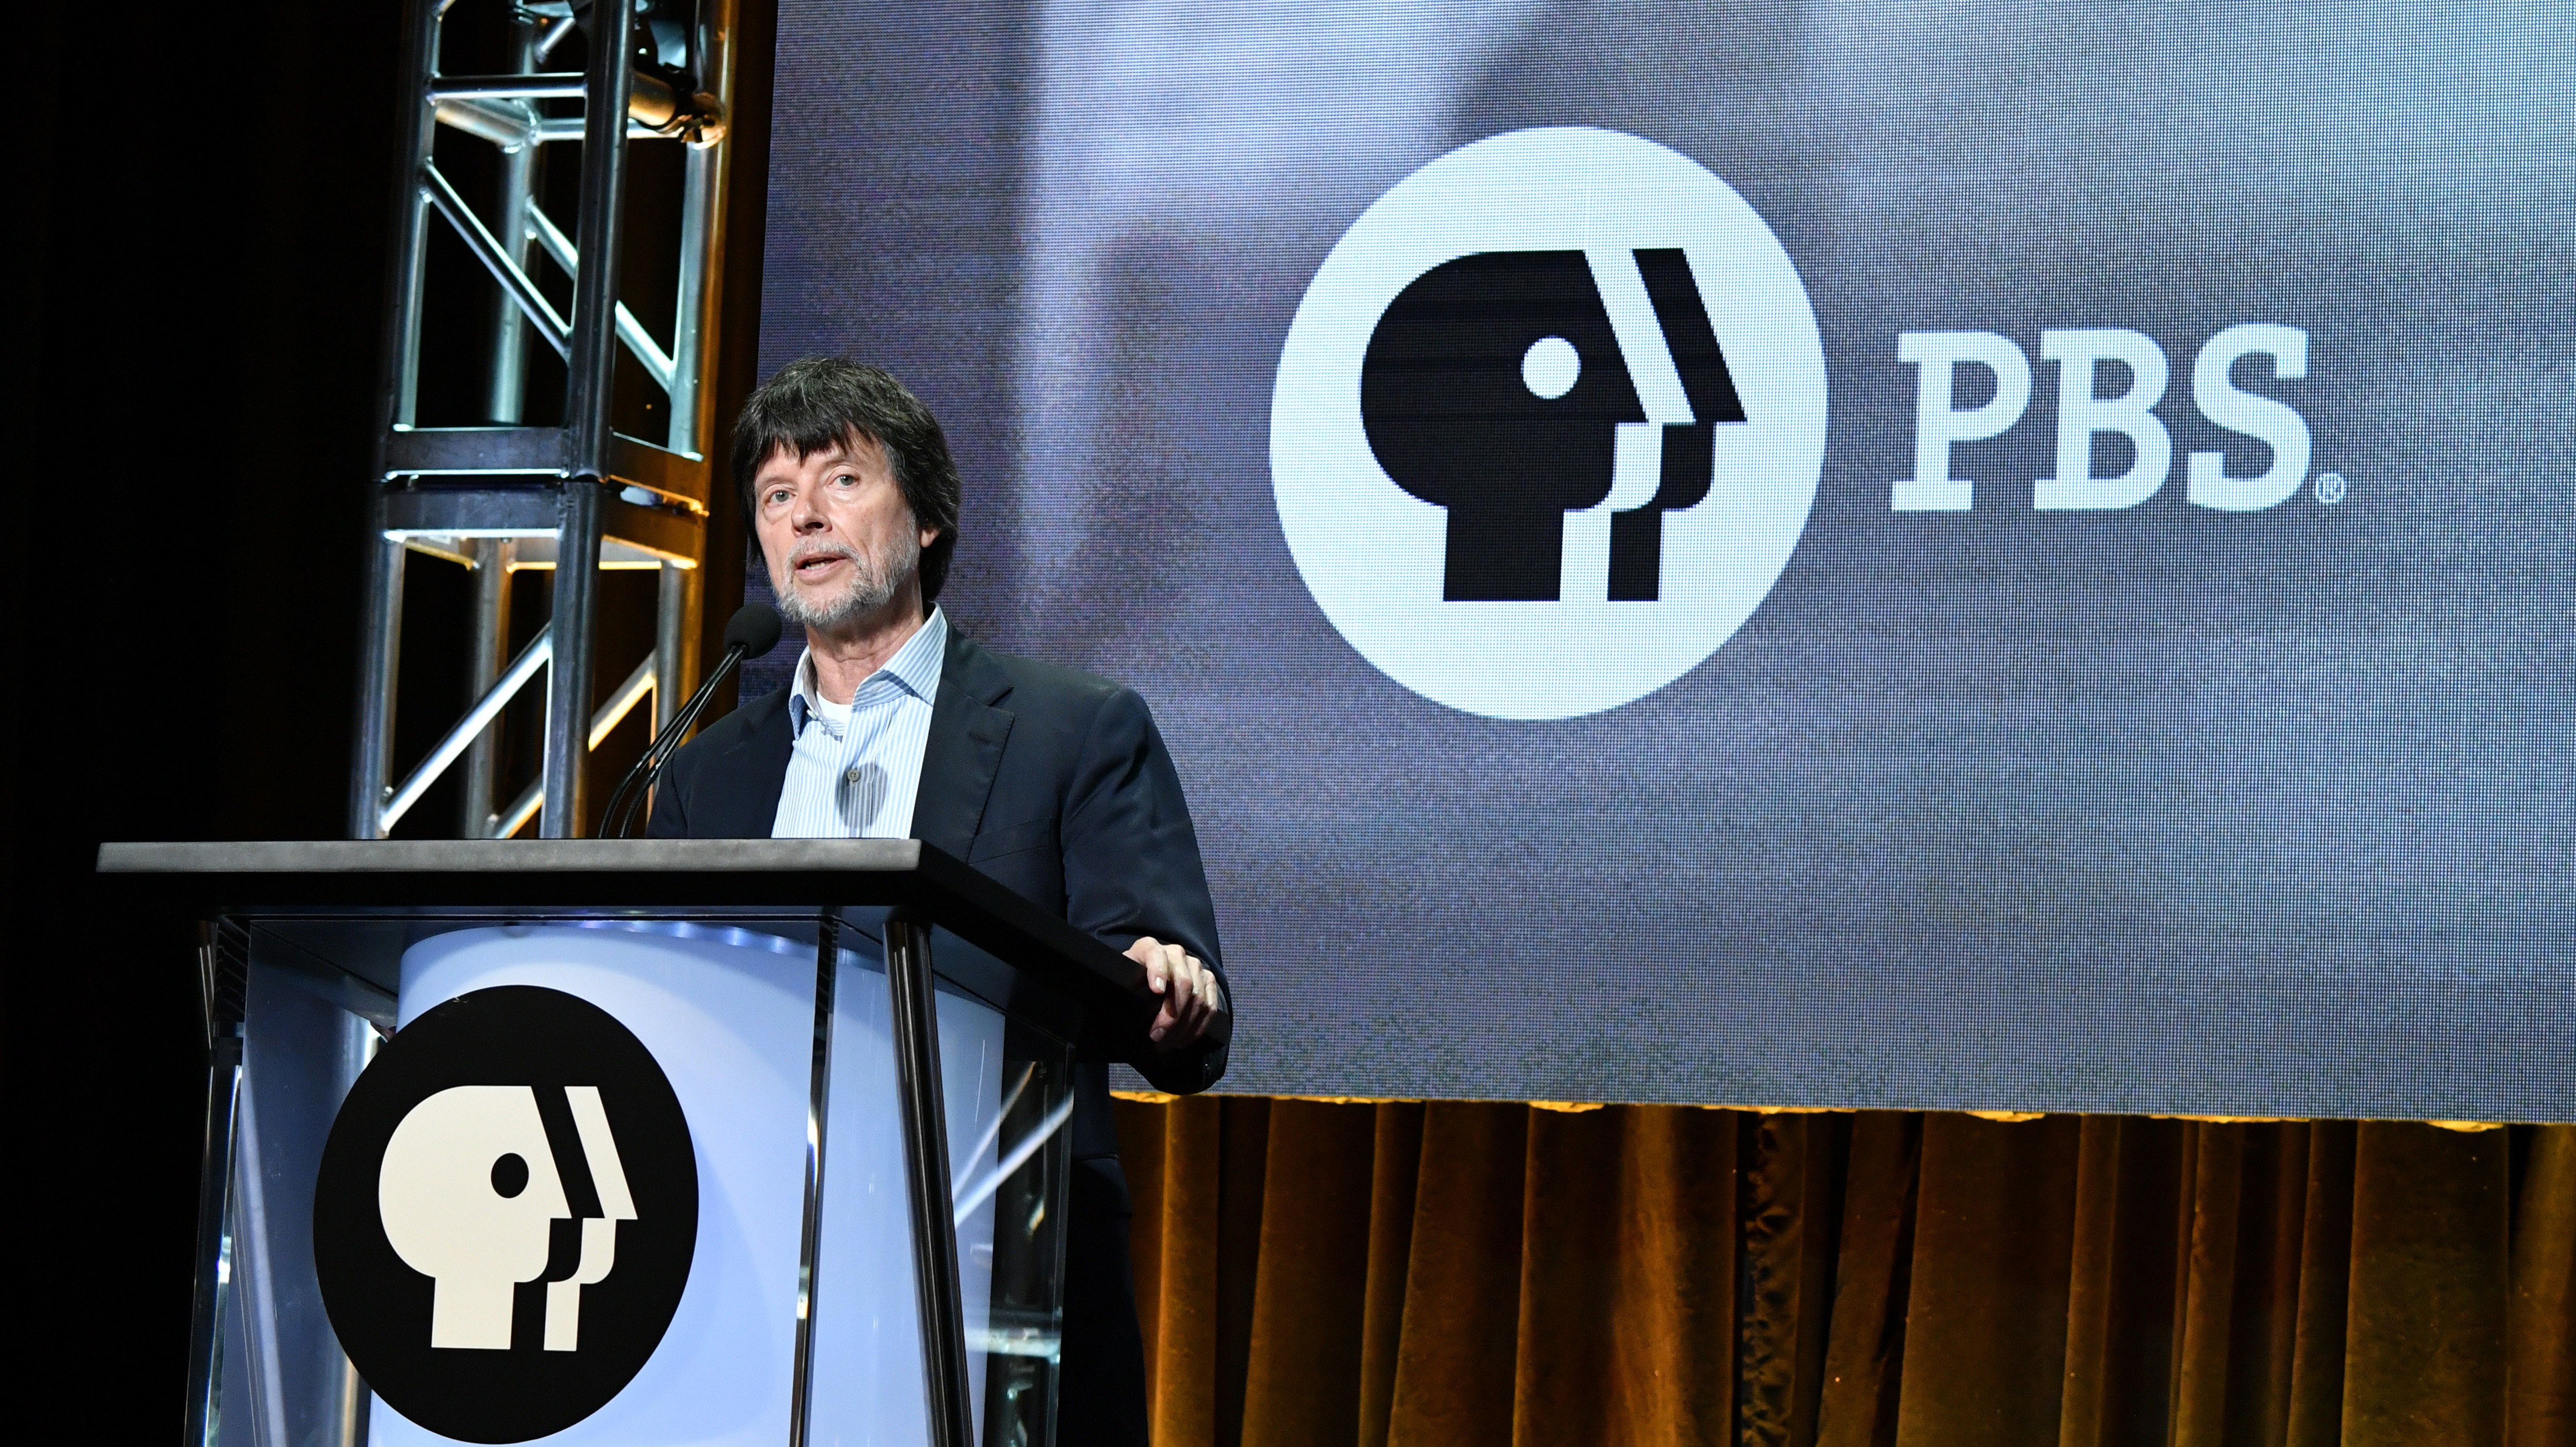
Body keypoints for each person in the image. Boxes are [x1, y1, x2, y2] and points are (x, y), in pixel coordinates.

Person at [648, 357, 1228, 1443]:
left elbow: (1165, 988)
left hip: (1000, 1257)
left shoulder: (1072, 729)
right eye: (776, 497)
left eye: (842, 481)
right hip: (749, 1256)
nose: (805, 515)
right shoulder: (700, 772)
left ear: (926, 520)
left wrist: (1166, 981)